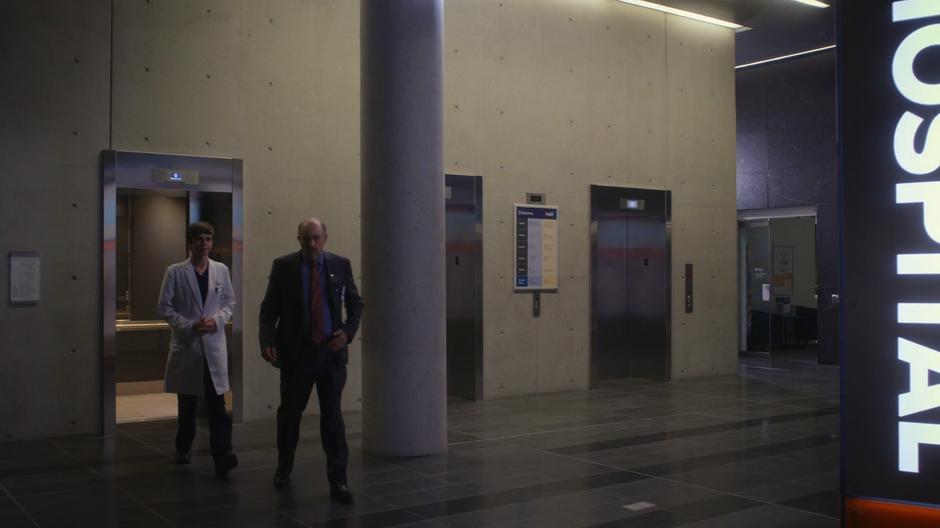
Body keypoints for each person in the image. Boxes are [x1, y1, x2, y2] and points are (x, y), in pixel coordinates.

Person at [259, 217, 363, 503]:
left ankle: (339, 480)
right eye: (306, 238)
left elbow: (356, 303)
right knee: (290, 415)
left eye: (316, 238)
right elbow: (269, 309)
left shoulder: (340, 265)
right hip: (297, 355)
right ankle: (285, 465)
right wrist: (267, 341)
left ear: (325, 238)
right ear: (299, 239)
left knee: (333, 418)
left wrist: (349, 332)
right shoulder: (284, 267)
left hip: (330, 354)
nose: (312, 244)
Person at [157, 221, 238, 478]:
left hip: (213, 344)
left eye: (208, 239)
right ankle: (183, 446)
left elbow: (229, 302)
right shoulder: (175, 272)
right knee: (188, 402)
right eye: (199, 239)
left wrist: (217, 320)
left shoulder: (221, 270)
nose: (204, 244)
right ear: (189, 243)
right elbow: (164, 307)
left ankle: (222, 454)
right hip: (189, 344)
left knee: (217, 403)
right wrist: (189, 326)